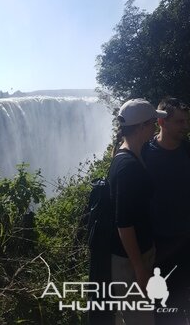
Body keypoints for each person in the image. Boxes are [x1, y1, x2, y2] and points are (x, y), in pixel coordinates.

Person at [109, 98, 165, 324]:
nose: (155, 127)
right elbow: (124, 224)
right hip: (129, 262)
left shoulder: (132, 155)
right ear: (142, 127)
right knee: (139, 319)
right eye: (153, 123)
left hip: (137, 256)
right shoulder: (127, 167)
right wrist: (139, 269)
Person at [142, 97, 190, 323]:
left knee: (181, 300)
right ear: (162, 122)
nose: (186, 127)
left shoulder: (188, 151)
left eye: (186, 121)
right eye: (180, 122)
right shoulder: (144, 153)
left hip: (185, 240)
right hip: (157, 243)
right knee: (160, 304)